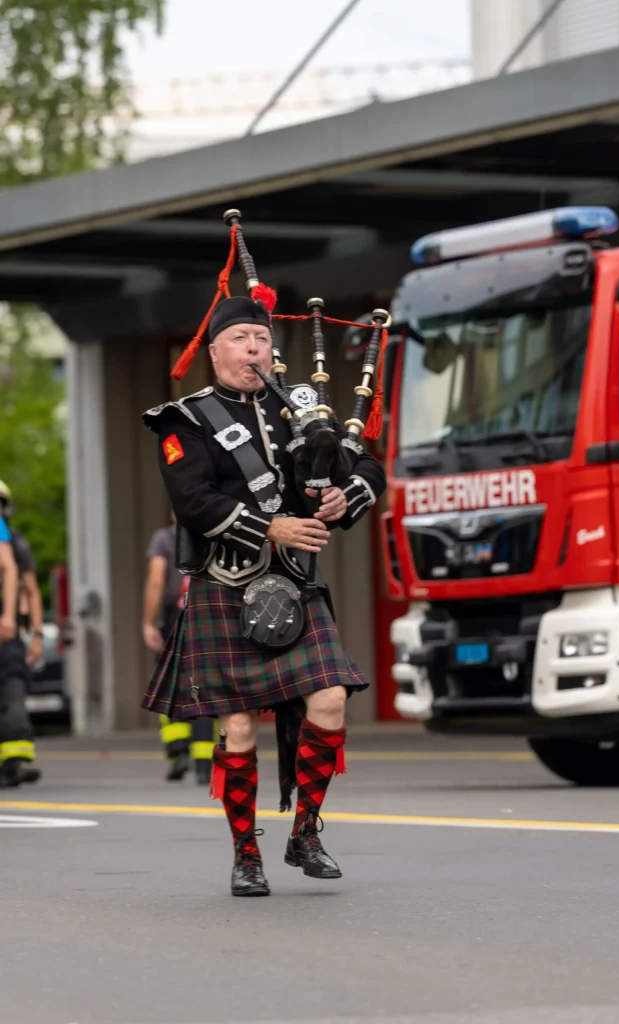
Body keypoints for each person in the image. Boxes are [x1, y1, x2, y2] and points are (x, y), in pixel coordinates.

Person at [141, 294, 385, 897]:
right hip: (226, 585)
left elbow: (367, 467)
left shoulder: (298, 412)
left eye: (262, 339)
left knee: (330, 697)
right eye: (242, 338)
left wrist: (343, 496)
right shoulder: (185, 420)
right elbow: (193, 500)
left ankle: (306, 830)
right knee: (239, 726)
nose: (255, 349)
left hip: (293, 587)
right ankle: (246, 853)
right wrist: (269, 526)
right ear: (214, 350)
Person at [143, 512, 214, 784]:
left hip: (175, 618)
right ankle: (204, 764)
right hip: (208, 616)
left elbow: (156, 581)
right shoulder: (214, 531)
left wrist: (149, 622)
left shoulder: (164, 538)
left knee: (171, 685)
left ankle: (178, 752)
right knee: (207, 688)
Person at [0, 481, 42, 787]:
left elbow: (30, 588)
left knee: (13, 691)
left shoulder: (12, 540)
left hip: (6, 631)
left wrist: (36, 633)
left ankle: (16, 762)